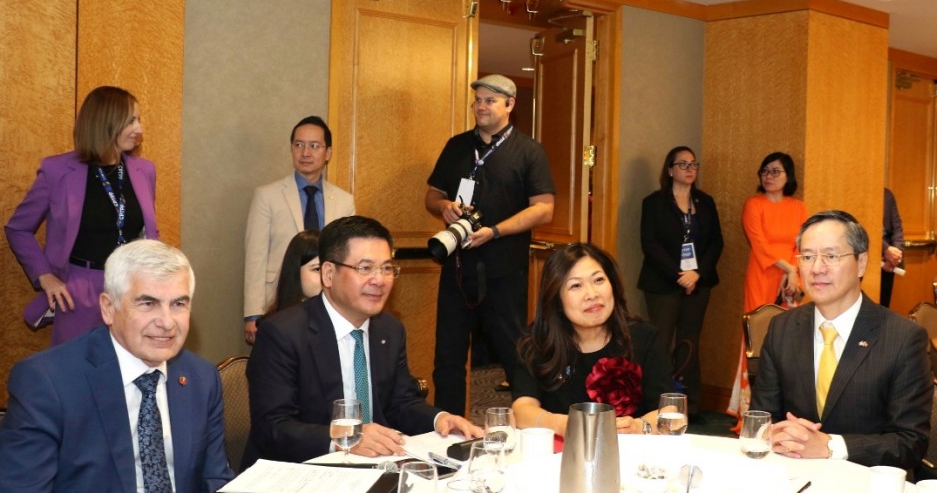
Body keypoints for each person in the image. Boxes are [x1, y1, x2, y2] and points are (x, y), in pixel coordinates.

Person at [0, 240, 233, 493]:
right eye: (147, 303)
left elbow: (217, 486)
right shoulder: (47, 380)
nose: (167, 321)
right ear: (109, 308)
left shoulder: (202, 377)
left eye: (179, 303)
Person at [244, 216, 482, 468]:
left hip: (373, 465)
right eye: (365, 268)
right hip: (302, 471)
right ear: (328, 274)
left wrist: (440, 418)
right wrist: (345, 438)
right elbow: (273, 428)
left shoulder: (390, 329)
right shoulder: (282, 333)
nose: (379, 280)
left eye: (387, 268)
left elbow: (400, 402)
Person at [751, 210, 932, 469]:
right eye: (808, 256)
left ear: (861, 263)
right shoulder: (782, 328)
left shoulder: (902, 338)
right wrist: (776, 435)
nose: (816, 268)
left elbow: (909, 443)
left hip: (866, 487)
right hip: (791, 478)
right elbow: (762, 420)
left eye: (831, 256)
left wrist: (830, 447)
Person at [425, 74, 556, 417]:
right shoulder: (456, 146)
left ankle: (531, 426)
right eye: (477, 100)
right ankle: (448, 432)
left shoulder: (529, 151)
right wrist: (444, 208)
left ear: (510, 105)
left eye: (489, 101)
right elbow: (432, 196)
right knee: (448, 359)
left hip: (504, 273)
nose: (480, 107)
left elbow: (544, 208)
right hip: (456, 271)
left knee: (516, 356)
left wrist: (495, 231)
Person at [5, 85, 158, 346]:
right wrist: (45, 276)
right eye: (131, 120)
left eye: (139, 119)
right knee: (77, 374)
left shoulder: (145, 170)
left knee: (129, 371)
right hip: (80, 290)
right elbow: (18, 229)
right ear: (105, 123)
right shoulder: (57, 171)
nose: (139, 129)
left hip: (133, 288)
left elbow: (146, 231)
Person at [513, 243, 673, 436]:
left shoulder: (643, 337)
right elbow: (522, 410)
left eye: (598, 280)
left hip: (630, 455)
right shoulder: (538, 342)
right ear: (556, 300)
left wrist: (639, 426)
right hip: (561, 456)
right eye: (576, 286)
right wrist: (561, 424)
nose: (592, 294)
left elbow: (669, 411)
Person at [243, 116, 355, 345]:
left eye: (314, 146)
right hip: (279, 299)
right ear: (292, 149)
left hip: (329, 300)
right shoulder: (267, 196)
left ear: (328, 153)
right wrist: (254, 313)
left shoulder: (344, 201)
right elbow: (255, 257)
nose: (306, 152)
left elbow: (347, 255)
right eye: (299, 145)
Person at [638, 146, 723, 417]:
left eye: (693, 164)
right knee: (660, 344)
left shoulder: (705, 202)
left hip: (699, 284)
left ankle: (690, 406)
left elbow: (716, 243)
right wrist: (679, 275)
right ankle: (658, 405)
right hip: (663, 284)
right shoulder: (653, 203)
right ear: (670, 169)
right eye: (683, 164)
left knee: (690, 343)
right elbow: (650, 245)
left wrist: (696, 274)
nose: (689, 169)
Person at [728, 152, 808, 422]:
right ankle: (750, 411)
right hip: (763, 274)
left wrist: (795, 272)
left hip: (792, 277)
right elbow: (759, 244)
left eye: (775, 171)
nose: (769, 176)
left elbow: (801, 243)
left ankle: (786, 407)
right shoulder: (754, 204)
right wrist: (789, 269)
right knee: (757, 335)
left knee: (790, 337)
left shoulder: (797, 207)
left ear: (788, 176)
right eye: (765, 171)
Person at [264, 230, 322, 317]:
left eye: (331, 270)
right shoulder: (274, 326)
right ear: (295, 270)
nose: (327, 276)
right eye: (317, 269)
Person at [879, 187, 905, 308]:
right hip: (871, 258)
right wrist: (885, 249)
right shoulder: (859, 190)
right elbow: (864, 226)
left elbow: (897, 227)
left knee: (883, 306)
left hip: (889, 263)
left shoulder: (887, 194)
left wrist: (896, 254)